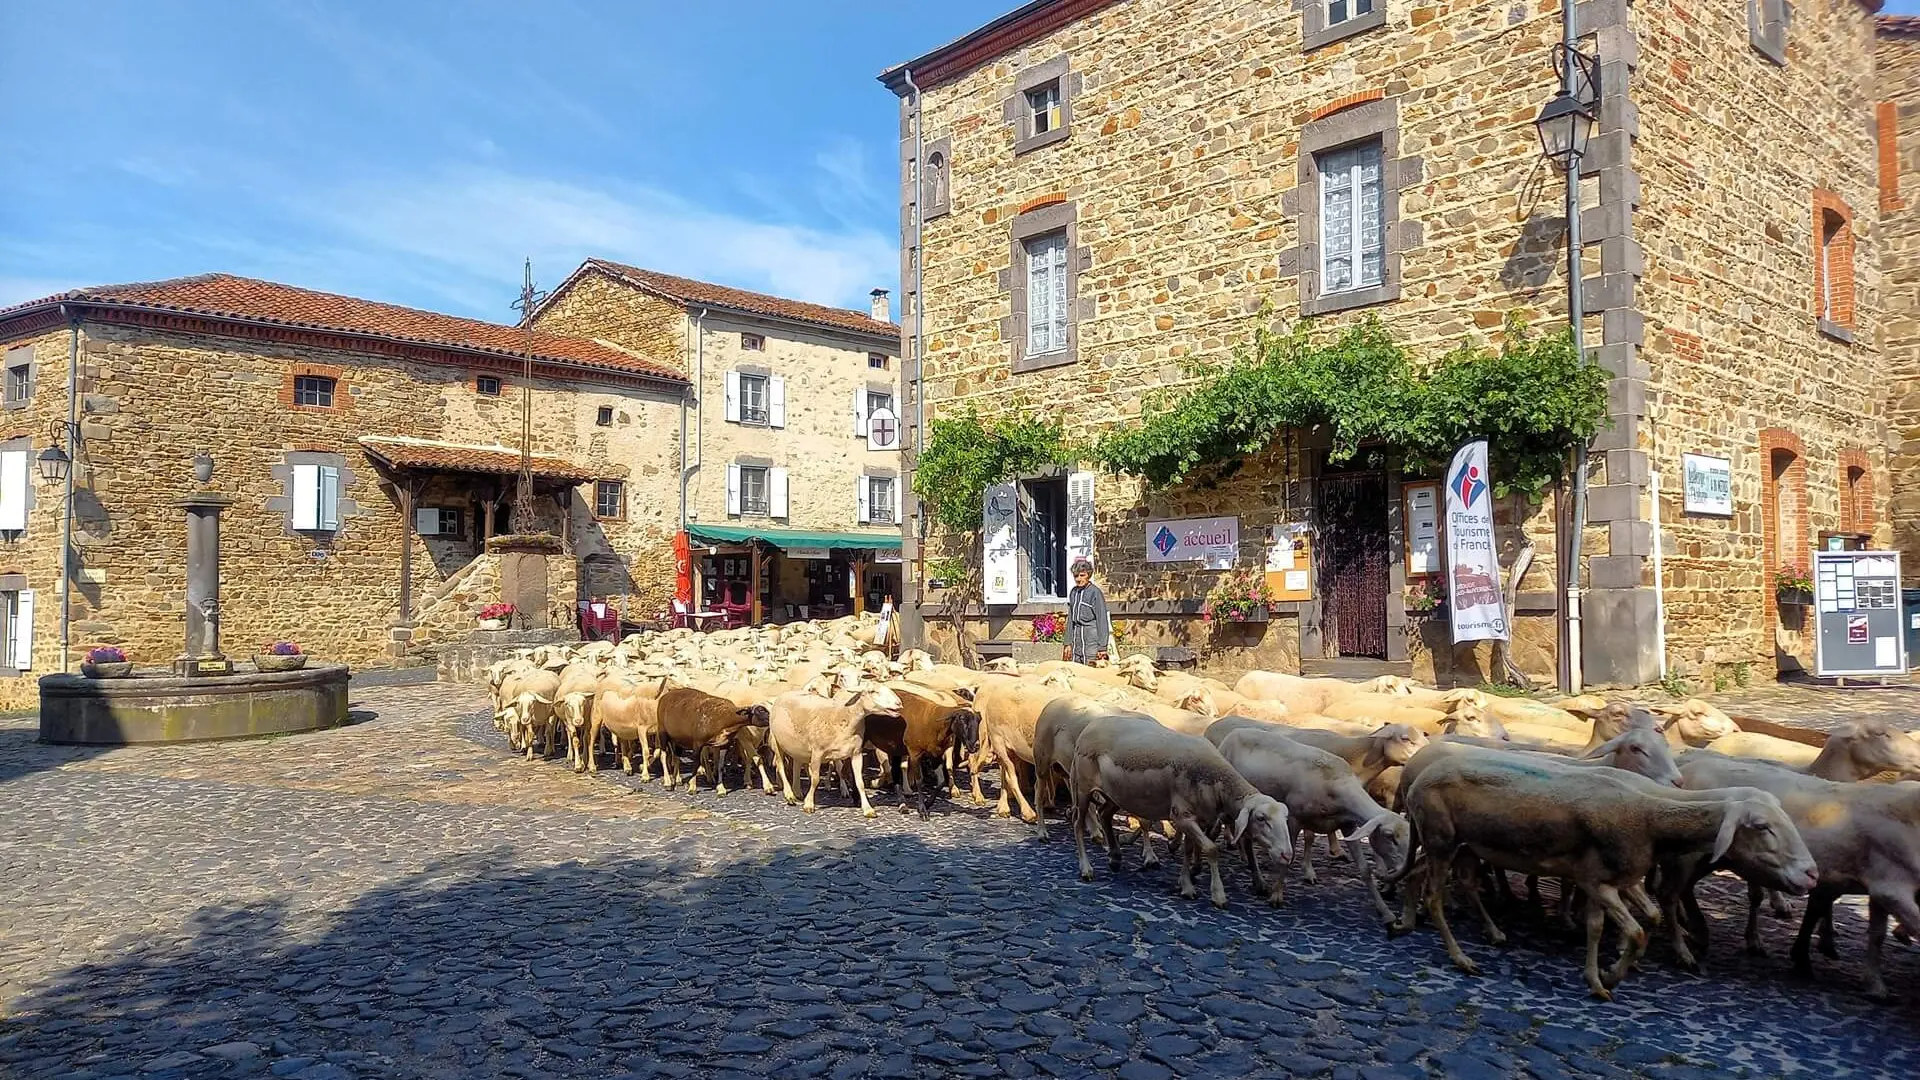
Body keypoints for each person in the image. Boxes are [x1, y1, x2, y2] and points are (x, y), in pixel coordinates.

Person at [1064, 558, 1112, 665]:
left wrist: (1102, 647)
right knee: (1075, 668)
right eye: (1076, 576)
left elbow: (1102, 620)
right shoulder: (1073, 592)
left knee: (1091, 669)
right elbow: (1071, 619)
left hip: (1091, 637)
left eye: (1082, 575)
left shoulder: (1095, 593)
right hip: (1077, 638)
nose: (1078, 579)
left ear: (1088, 575)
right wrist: (1067, 642)